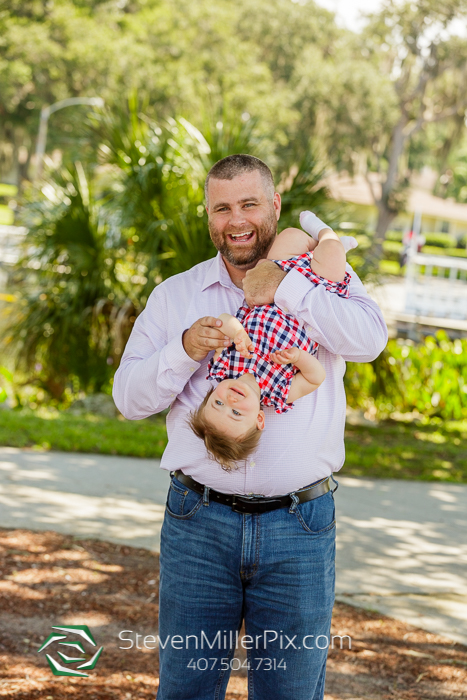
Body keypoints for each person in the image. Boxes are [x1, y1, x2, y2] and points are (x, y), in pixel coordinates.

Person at [112, 154, 388, 700]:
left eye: (249, 204)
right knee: (186, 689)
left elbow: (369, 341)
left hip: (300, 527)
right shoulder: (176, 295)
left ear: (275, 206)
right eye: (222, 208)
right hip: (198, 524)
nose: (236, 220)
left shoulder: (321, 279)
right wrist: (187, 347)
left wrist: (284, 287)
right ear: (209, 217)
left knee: (290, 692)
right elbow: (128, 398)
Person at [189, 219, 356, 470]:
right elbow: (315, 377)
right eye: (236, 414)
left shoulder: (223, 364)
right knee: (332, 255)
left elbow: (223, 321)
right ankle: (328, 237)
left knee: (290, 236)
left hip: (272, 281)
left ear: (211, 394)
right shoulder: (279, 392)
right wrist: (298, 357)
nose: (230, 403)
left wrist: (236, 333)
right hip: (312, 294)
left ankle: (317, 246)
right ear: (259, 418)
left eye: (218, 403)